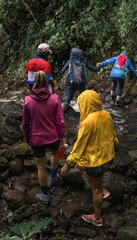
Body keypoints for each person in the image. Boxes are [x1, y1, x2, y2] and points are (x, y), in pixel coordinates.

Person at [60, 90, 119, 227]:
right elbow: (112, 134)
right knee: (81, 166)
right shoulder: (106, 114)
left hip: (97, 162)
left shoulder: (87, 122)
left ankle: (97, 218)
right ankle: (100, 188)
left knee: (95, 191)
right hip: (108, 156)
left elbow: (79, 147)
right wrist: (115, 144)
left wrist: (67, 164)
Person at [22, 71, 65, 203]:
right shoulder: (55, 98)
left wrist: (27, 138)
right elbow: (60, 121)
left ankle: (45, 194)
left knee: (40, 167)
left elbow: (25, 124)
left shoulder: (28, 101)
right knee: (54, 154)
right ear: (47, 83)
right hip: (53, 137)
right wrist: (62, 136)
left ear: (34, 82)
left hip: (37, 139)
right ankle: (53, 176)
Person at [61, 47, 100, 112]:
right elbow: (94, 69)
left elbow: (62, 70)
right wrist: (98, 67)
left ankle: (62, 114)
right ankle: (86, 112)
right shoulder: (84, 62)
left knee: (67, 100)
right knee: (84, 99)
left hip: (71, 83)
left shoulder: (70, 62)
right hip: (82, 83)